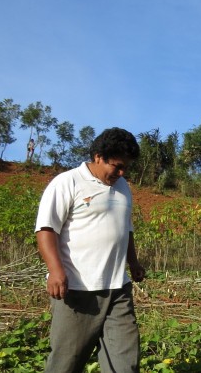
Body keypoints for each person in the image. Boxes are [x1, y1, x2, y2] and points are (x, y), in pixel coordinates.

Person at [35, 127, 146, 373]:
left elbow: (125, 229)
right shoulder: (67, 182)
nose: (122, 172)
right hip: (76, 289)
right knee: (66, 363)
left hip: (118, 288)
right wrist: (55, 271)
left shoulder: (123, 187)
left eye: (126, 167)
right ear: (98, 156)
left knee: (125, 363)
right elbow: (46, 229)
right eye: (117, 166)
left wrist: (133, 262)